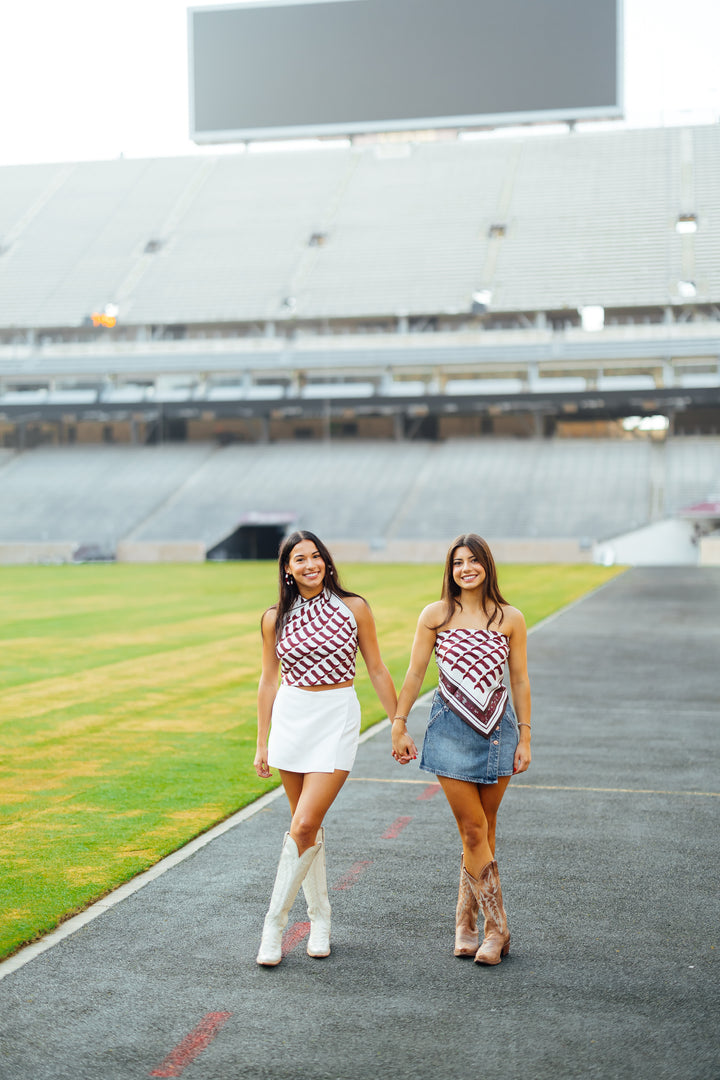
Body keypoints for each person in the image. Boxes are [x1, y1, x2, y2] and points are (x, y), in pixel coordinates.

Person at [254, 530, 397, 966]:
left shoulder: (354, 608)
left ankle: (272, 927)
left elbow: (375, 667)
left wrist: (398, 724)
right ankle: (320, 920)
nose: (310, 564)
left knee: (302, 826)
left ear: (326, 561)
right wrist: (262, 742)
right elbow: (268, 680)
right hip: (292, 719)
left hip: (336, 716)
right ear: (287, 569)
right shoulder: (274, 617)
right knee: (306, 829)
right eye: (300, 559)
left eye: (316, 556)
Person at [391, 533, 531, 965]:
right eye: (457, 562)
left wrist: (525, 736)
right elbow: (415, 674)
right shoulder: (435, 615)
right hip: (449, 731)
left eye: (473, 560)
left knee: (484, 831)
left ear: (487, 565)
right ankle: (498, 929)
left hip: (498, 733)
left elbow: (520, 680)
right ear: (449, 570)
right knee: (472, 831)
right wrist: (399, 724)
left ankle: (465, 923)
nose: (466, 568)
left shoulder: (510, 617)